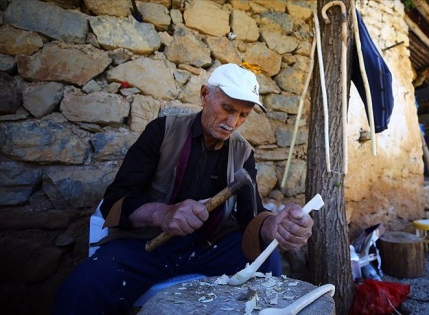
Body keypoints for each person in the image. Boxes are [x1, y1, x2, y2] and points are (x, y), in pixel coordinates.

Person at [52, 63, 314, 315]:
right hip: (147, 246)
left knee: (267, 264)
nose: (232, 122)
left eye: (243, 115)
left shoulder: (243, 152)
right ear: (204, 95)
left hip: (209, 247)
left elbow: (251, 216)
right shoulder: (162, 132)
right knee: (86, 285)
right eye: (226, 108)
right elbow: (115, 201)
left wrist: (275, 226)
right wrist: (163, 214)